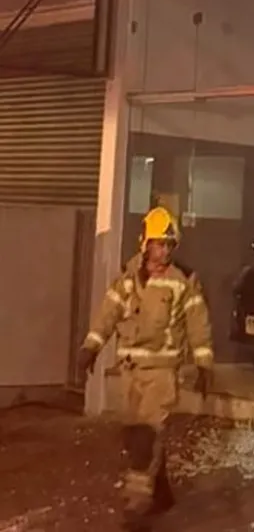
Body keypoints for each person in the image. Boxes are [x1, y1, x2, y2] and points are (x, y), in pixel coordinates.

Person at [76, 207, 214, 532]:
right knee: (136, 434)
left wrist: (204, 365)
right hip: (131, 371)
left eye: (169, 245)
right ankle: (161, 491)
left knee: (145, 438)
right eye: (159, 244)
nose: (164, 251)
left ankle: (137, 507)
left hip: (162, 373)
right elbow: (108, 314)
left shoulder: (182, 281)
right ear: (146, 243)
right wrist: (90, 347)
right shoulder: (128, 279)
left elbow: (198, 324)